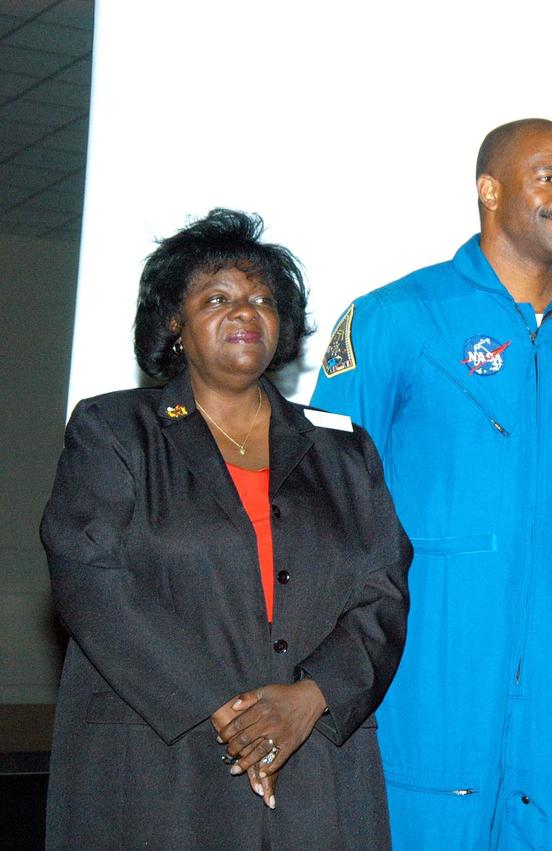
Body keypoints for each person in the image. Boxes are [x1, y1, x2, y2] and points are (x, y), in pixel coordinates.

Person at [310, 118, 552, 850]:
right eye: (549, 177)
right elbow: (329, 492)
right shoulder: (396, 317)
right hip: (425, 647)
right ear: (489, 190)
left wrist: (546, 579)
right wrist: (450, 574)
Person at [41, 209, 412, 849]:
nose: (246, 311)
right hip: (160, 763)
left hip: (316, 762)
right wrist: (230, 710)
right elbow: (91, 584)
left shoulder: (345, 449)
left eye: (263, 299)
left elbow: (383, 591)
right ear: (174, 324)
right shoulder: (114, 431)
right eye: (217, 298)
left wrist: (310, 698)